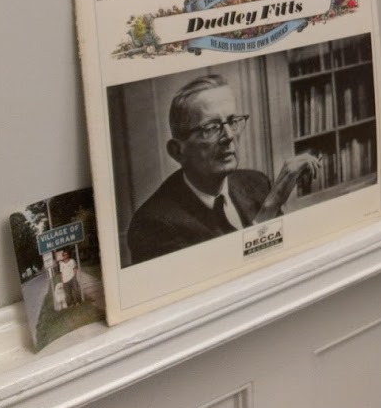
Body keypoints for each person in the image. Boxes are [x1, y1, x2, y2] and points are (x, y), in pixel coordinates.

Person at [125, 74, 321, 266]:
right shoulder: (153, 226)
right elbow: (222, 285)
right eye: (210, 128)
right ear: (177, 151)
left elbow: (279, 260)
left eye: (233, 121)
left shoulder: (257, 183)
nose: (228, 136)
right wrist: (267, 211)